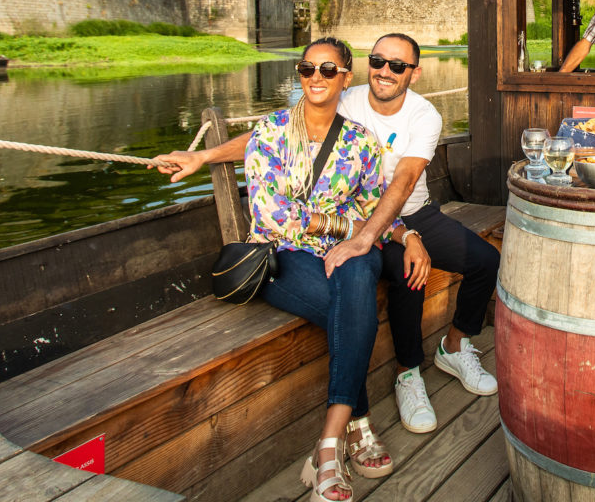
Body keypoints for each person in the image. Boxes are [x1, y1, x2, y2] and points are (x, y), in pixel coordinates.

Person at [153, 33, 500, 436]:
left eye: (397, 66)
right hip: (342, 228)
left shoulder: (420, 116)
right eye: (378, 61)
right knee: (396, 281)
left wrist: (398, 234)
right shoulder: (339, 96)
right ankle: (400, 379)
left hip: (406, 213)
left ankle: (453, 346)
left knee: (484, 260)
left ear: (414, 74)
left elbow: (402, 183)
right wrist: (203, 155)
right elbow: (271, 134)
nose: (385, 72)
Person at [239, 36, 404, 502]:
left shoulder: (361, 142)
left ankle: (327, 445)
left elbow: (374, 208)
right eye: (307, 68)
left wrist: (403, 233)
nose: (316, 77)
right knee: (352, 310)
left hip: (348, 254)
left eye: (328, 70)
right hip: (283, 256)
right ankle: (355, 424)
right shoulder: (270, 132)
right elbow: (271, 216)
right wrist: (340, 227)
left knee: (358, 270)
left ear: (345, 77)